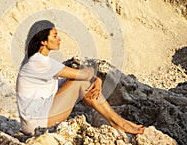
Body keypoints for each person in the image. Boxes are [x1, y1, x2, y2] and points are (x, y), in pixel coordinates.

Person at [16, 20, 145, 135]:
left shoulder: (38, 61)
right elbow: (83, 75)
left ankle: (118, 121)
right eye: (55, 36)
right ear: (43, 41)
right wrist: (93, 75)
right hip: (37, 122)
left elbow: (68, 81)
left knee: (79, 82)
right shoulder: (39, 62)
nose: (59, 38)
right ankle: (118, 122)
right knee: (80, 84)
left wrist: (97, 80)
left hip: (35, 121)